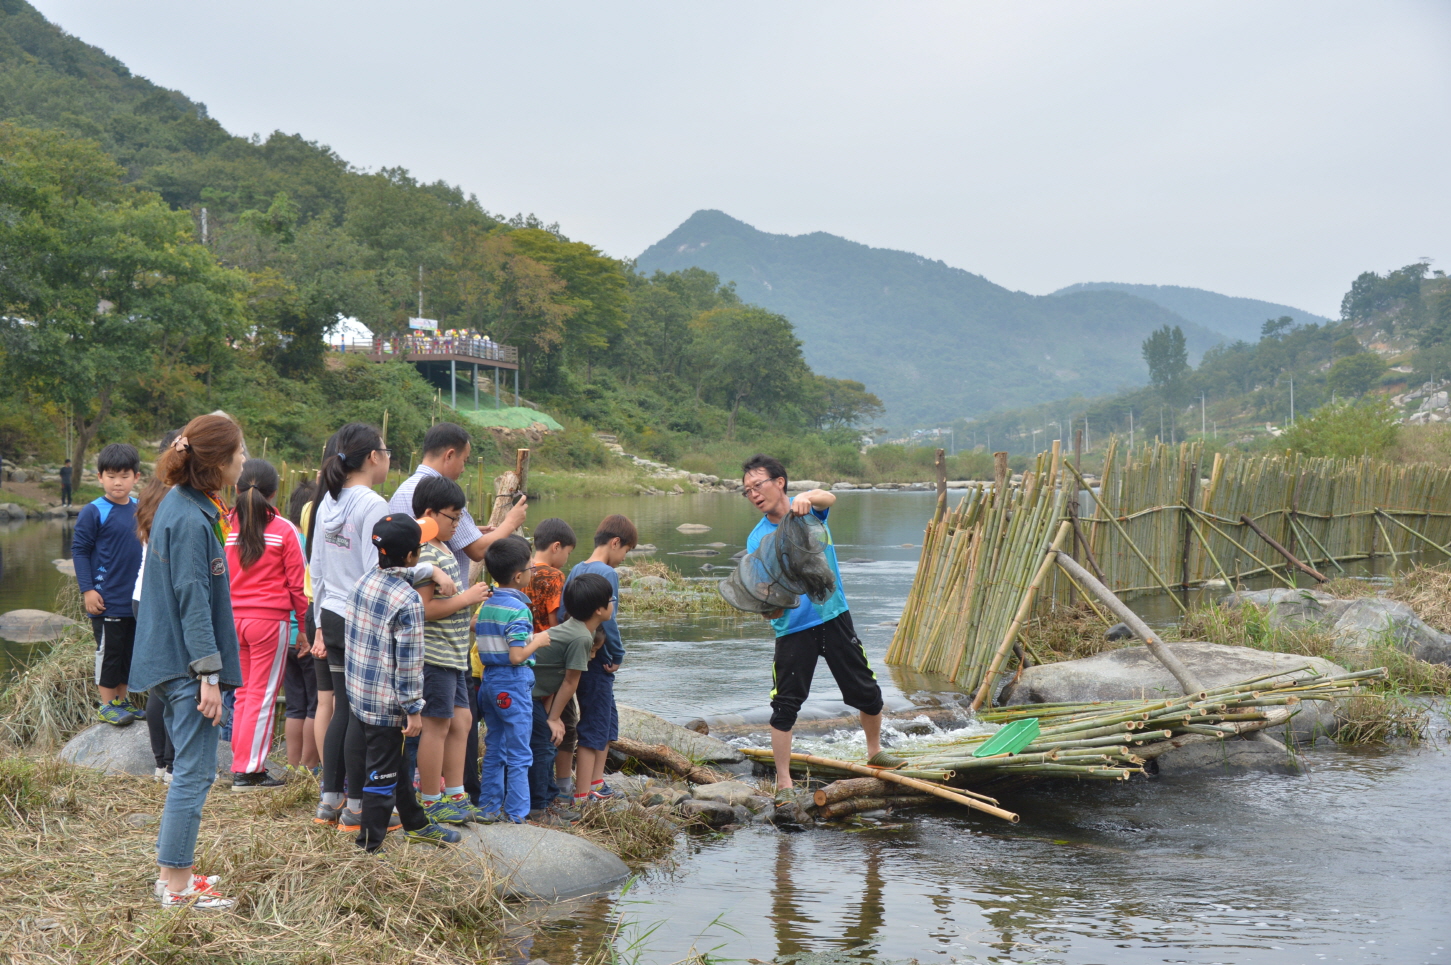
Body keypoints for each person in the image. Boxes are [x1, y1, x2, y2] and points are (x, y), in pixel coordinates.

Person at [309, 423, 457, 832]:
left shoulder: (329, 500)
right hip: (361, 617)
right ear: (373, 457)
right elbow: (378, 572)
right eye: (387, 452)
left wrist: (319, 621)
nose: (388, 459)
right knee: (361, 716)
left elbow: (316, 567)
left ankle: (330, 800)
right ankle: (359, 808)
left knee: (342, 709)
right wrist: (428, 570)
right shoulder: (371, 503)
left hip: (331, 614)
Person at [129, 413, 246, 909]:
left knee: (189, 773)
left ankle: (171, 875)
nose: (244, 460)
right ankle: (178, 889)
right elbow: (192, 599)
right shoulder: (190, 518)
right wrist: (209, 675)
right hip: (186, 666)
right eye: (239, 452)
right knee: (194, 774)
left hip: (173, 658)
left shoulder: (183, 504)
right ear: (218, 462)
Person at [740, 454, 883, 800]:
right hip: (792, 629)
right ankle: (784, 782)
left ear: (779, 482)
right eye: (747, 491)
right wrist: (768, 606)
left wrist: (806, 497)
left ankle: (876, 754)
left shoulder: (809, 511)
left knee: (867, 691)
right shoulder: (757, 538)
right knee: (785, 704)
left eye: (757, 485)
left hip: (833, 616)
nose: (753, 494)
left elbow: (828, 497)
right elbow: (764, 588)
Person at [343, 513, 462, 852]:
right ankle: (368, 847)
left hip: (360, 695)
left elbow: (403, 572)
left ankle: (416, 823)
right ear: (411, 554)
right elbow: (409, 664)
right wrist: (413, 709)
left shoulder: (364, 581)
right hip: (388, 705)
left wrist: (430, 570)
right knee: (382, 775)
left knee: (397, 764)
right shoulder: (409, 601)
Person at [410, 475, 492, 825]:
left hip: (455, 656)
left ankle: (456, 795)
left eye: (460, 518)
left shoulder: (443, 548)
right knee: (436, 725)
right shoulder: (426, 553)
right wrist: (466, 599)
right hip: (434, 656)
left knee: (463, 721)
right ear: (429, 514)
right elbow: (424, 609)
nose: (457, 525)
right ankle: (431, 799)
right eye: (453, 517)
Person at [224, 459, 308, 791]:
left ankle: (240, 762)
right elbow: (299, 586)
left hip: (232, 621)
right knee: (263, 696)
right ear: (274, 493)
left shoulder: (225, 525)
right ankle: (250, 771)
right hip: (270, 623)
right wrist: (305, 628)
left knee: (244, 693)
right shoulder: (284, 529)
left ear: (236, 488)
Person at [386, 422, 528, 582]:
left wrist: (469, 532)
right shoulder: (443, 493)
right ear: (449, 455)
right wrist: (511, 522)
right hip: (443, 592)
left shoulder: (402, 490)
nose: (463, 469)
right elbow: (478, 550)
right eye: (464, 460)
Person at [474, 535, 550, 824]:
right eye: (530, 567)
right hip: (513, 682)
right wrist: (538, 640)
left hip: (489, 681)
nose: (533, 570)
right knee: (519, 751)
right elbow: (517, 655)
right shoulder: (518, 609)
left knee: (495, 746)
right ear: (519, 576)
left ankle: (489, 807)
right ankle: (517, 814)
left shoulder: (487, 604)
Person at [528, 573, 613, 823]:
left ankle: (548, 800)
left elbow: (550, 674)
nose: (613, 604)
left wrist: (550, 711)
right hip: (522, 693)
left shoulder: (574, 627)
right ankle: (539, 808)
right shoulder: (582, 638)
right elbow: (569, 681)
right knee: (544, 747)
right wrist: (553, 718)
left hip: (531, 693)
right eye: (611, 600)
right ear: (598, 610)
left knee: (544, 745)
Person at [564, 514, 636, 806]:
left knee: (606, 720)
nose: (623, 558)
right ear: (615, 543)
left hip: (579, 654)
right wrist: (617, 654)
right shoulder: (608, 573)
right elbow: (610, 621)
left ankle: (596, 783)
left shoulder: (577, 568)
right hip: (598, 659)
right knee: (596, 723)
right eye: (626, 550)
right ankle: (587, 791)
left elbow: (565, 613)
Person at [73, 443, 144, 725]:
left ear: (136, 477)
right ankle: (106, 705)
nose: (118, 482)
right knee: (110, 652)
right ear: (100, 477)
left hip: (134, 598)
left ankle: (121, 700)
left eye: (124, 476)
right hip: (106, 598)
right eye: (111, 476)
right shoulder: (94, 511)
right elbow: (80, 551)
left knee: (129, 652)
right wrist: (88, 590)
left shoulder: (140, 508)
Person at [134, 441, 179, 782]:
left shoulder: (150, 493)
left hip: (140, 596)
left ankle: (161, 763)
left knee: (159, 685)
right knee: (174, 683)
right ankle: (171, 764)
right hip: (162, 599)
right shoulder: (178, 498)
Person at [525, 518, 579, 797]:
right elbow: (556, 622)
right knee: (561, 723)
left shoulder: (520, 570)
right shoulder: (554, 577)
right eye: (568, 552)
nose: (566, 559)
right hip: (548, 658)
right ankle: (557, 788)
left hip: (521, 655)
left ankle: (532, 786)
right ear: (557, 546)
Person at [284, 480, 320, 771]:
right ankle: (309, 768)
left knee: (295, 705)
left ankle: (292, 765)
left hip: (286, 633)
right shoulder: (313, 544)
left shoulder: (284, 537)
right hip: (307, 632)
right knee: (315, 705)